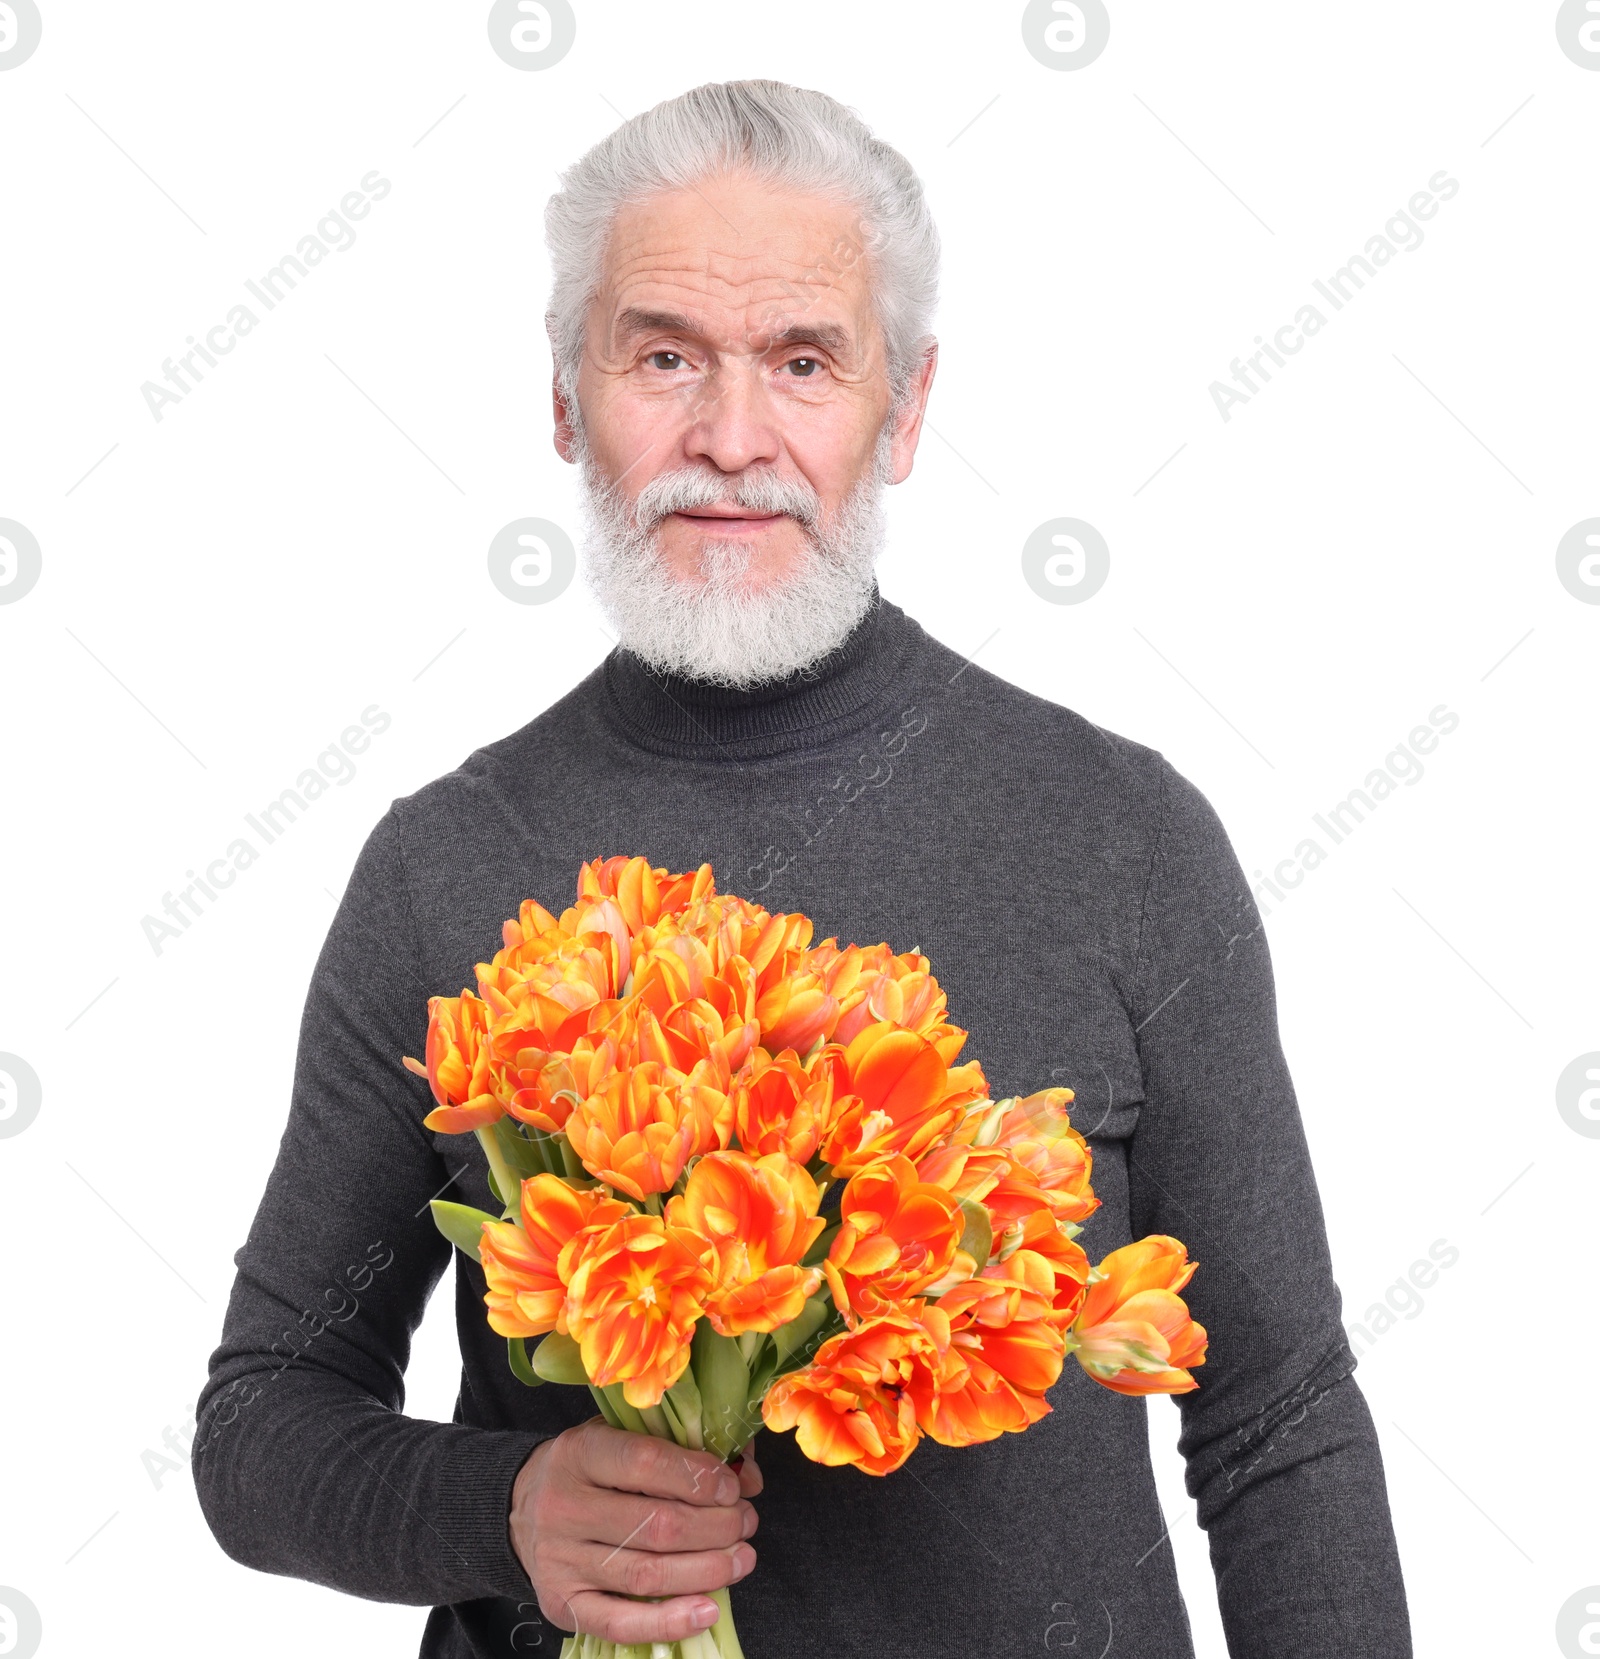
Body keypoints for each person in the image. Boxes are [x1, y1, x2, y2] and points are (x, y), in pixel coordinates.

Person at [194, 79, 1412, 1657]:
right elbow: (264, 1422)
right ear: (568, 398)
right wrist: (500, 1511)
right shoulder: (447, 867)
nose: (730, 437)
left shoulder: (1122, 837)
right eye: (662, 357)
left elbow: (1276, 1419)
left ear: (901, 411)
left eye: (804, 362)